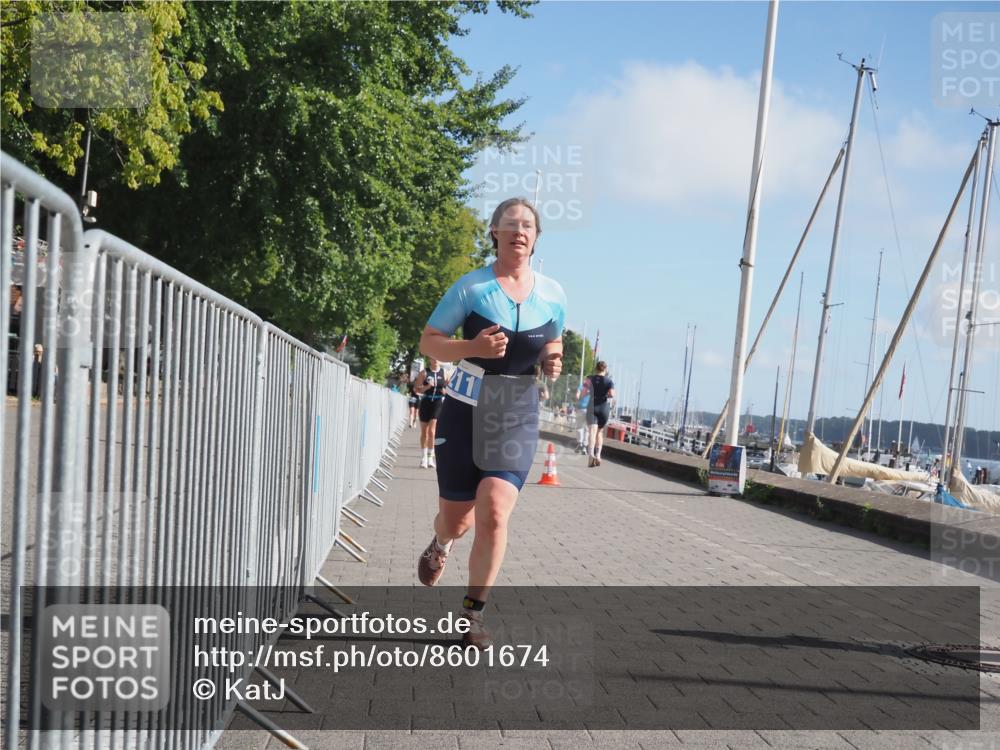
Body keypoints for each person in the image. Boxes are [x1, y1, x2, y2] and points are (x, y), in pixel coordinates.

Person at [415, 197, 565, 649]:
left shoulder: (554, 293)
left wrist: (552, 360)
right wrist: (472, 348)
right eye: (510, 224)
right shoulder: (472, 287)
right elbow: (430, 343)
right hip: (464, 407)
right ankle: (440, 543)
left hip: (515, 411)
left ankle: (471, 616)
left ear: (536, 238)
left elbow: (553, 338)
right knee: (457, 521)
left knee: (495, 511)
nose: (519, 231)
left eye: (528, 226)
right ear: (494, 232)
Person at [579, 361, 615, 467]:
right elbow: (612, 394)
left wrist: (591, 392)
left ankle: (591, 454)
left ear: (596, 369)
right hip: (603, 407)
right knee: (600, 432)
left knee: (592, 432)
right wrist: (605, 395)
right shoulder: (609, 381)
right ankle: (598, 455)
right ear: (605, 369)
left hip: (592, 406)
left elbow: (583, 393)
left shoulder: (589, 379)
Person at [414, 358, 447, 468]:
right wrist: (427, 387)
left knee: (432, 431)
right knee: (424, 431)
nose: (436, 360)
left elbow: (452, 390)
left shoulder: (444, 373)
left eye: (438, 358)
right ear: (430, 360)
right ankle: (423, 458)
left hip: (437, 403)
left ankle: (430, 458)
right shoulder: (424, 372)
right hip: (426, 402)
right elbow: (416, 390)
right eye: (434, 358)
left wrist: (445, 392)